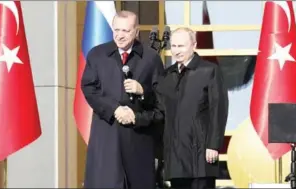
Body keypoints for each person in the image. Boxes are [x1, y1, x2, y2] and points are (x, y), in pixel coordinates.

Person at [81, 10, 164, 189]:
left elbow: (162, 99)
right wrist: (114, 109)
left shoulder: (151, 58)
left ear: (136, 31)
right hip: (107, 136)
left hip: (138, 140)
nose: (119, 35)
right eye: (116, 30)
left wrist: (143, 91)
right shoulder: (98, 54)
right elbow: (89, 88)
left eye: (125, 31)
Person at [155, 27, 229, 189]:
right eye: (173, 46)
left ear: (193, 45)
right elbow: (160, 113)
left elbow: (219, 110)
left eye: (181, 46)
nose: (177, 51)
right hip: (175, 157)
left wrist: (214, 145)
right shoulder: (166, 76)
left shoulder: (209, 70)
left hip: (201, 155)